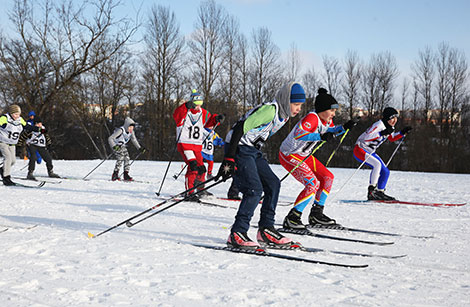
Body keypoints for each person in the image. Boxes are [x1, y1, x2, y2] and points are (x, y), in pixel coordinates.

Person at [215, 82, 306, 250]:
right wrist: (229, 158)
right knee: (254, 189)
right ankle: (237, 232)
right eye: (296, 104)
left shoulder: (283, 115)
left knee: (273, 184)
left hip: (251, 150)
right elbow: (241, 127)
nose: (298, 109)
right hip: (239, 147)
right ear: (286, 100)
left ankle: (266, 229)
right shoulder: (270, 110)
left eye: (300, 105)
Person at [280, 88, 358, 229]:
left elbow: (332, 132)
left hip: (304, 155)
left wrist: (345, 127)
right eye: (332, 111)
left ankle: (317, 214)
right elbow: (299, 134)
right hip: (289, 154)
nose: (334, 114)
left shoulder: (327, 121)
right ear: (322, 109)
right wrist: (320, 136)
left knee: (327, 177)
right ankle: (293, 217)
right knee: (312, 184)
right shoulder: (312, 118)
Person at [173, 89, 224, 201]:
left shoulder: (203, 112)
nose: (198, 107)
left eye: (200, 104)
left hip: (196, 145)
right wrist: (185, 106)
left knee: (202, 168)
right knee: (193, 167)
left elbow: (209, 121)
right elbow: (176, 116)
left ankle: (200, 189)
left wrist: (216, 119)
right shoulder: (185, 112)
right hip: (185, 145)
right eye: (196, 104)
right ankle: (189, 192)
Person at [353, 107, 412, 200]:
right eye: (392, 118)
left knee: (385, 172)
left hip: (370, 151)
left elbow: (391, 138)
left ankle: (380, 192)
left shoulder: (390, 127)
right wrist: (381, 133)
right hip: (360, 149)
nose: (394, 120)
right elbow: (367, 137)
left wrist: (402, 133)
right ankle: (372, 191)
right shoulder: (379, 125)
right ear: (387, 118)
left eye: (396, 118)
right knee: (377, 165)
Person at [0, 105, 41, 186]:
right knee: (7, 158)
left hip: (12, 144)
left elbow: (27, 126)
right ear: (11, 113)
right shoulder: (5, 117)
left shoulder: (19, 119)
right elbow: (1, 123)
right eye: (15, 114)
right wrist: (2, 124)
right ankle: (6, 178)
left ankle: (2, 170)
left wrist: (38, 129)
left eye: (18, 114)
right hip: (2, 142)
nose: (17, 116)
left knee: (13, 161)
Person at [108, 117, 145, 181]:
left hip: (122, 146)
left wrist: (139, 148)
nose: (131, 129)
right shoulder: (121, 130)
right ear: (127, 126)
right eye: (130, 127)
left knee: (127, 158)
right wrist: (114, 146)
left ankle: (126, 174)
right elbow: (110, 138)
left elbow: (134, 140)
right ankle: (115, 174)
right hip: (116, 146)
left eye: (132, 127)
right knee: (120, 157)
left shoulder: (131, 132)